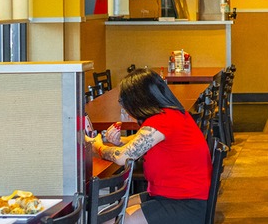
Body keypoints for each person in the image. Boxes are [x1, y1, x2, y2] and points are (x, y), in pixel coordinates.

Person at [86, 68, 211, 224]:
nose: (124, 107)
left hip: (183, 204)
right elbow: (140, 138)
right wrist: (120, 142)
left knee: (110, 220)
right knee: (107, 214)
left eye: (124, 102)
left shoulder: (162, 120)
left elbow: (122, 157)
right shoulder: (172, 114)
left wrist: (97, 146)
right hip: (174, 195)